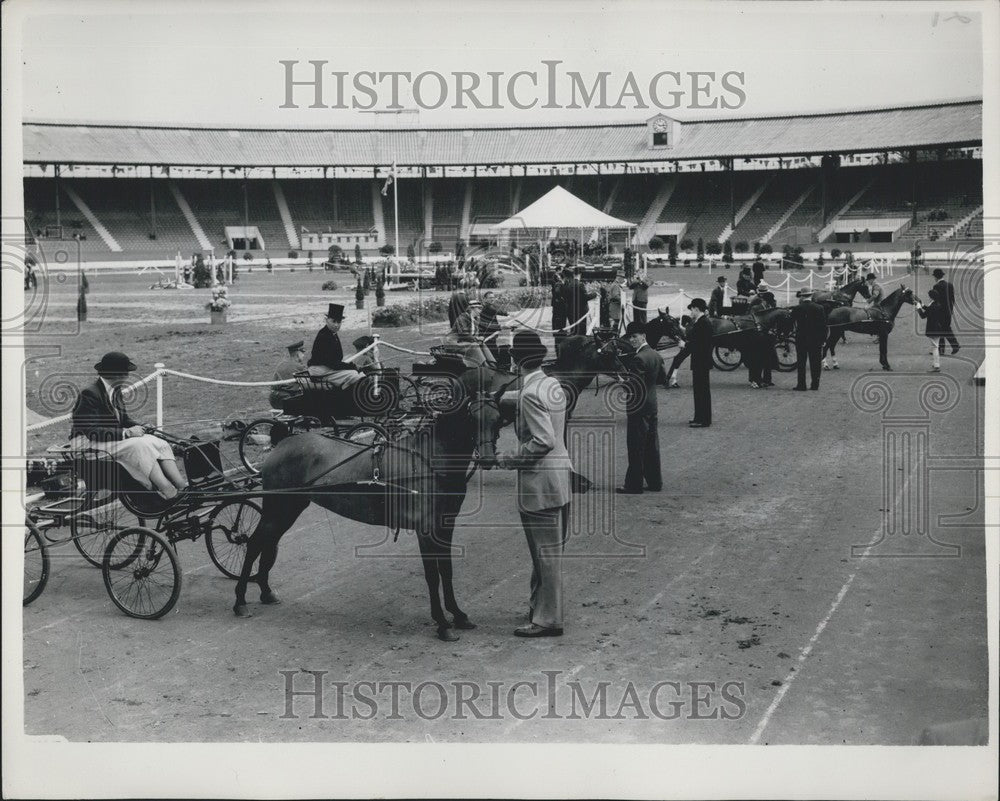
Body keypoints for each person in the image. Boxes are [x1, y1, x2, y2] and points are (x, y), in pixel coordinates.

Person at [494, 331, 572, 638]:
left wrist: (508, 460)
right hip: (560, 477)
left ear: (515, 362)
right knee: (549, 552)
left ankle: (547, 620)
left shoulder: (529, 394)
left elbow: (542, 440)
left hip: (540, 483)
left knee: (544, 554)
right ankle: (541, 609)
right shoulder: (551, 384)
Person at [69, 352, 188, 499]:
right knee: (139, 445)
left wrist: (143, 427)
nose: (127, 377)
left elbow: (124, 420)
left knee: (158, 442)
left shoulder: (115, 389)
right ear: (118, 375)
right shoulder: (89, 394)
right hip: (86, 443)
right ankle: (168, 490)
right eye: (126, 373)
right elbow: (91, 431)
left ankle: (182, 487)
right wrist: (127, 433)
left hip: (106, 438)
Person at [617, 321, 663, 494]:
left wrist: (623, 383)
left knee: (636, 446)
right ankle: (655, 482)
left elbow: (634, 386)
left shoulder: (638, 358)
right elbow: (661, 379)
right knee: (652, 444)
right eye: (630, 337)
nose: (632, 340)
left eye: (635, 336)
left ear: (643, 336)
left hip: (638, 407)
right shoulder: (655, 355)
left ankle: (633, 484)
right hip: (652, 404)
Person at [308, 303, 364, 388]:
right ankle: (346, 394)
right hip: (320, 370)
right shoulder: (324, 336)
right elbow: (331, 363)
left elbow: (335, 359)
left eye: (339, 322)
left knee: (352, 369)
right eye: (333, 321)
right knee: (354, 374)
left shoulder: (331, 333)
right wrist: (352, 366)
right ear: (326, 320)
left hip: (326, 367)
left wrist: (349, 366)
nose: (336, 325)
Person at [790, 289, 828, 391]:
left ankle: (801, 385)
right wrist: (823, 339)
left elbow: (791, 322)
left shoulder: (797, 308)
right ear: (811, 296)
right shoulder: (819, 308)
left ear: (802, 296)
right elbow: (823, 326)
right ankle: (815, 384)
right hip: (815, 339)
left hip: (801, 338)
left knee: (801, 362)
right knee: (815, 362)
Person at [686, 298, 714, 427]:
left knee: (701, 390)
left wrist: (685, 344)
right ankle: (699, 417)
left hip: (700, 362)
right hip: (702, 361)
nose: (691, 312)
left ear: (696, 309)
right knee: (700, 390)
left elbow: (699, 345)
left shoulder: (702, 323)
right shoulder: (703, 322)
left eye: (692, 309)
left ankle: (703, 419)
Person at [269, 340, 308, 410]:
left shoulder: (282, 364)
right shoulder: (299, 367)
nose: (304, 355)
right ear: (297, 353)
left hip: (274, 398)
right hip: (288, 399)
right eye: (302, 352)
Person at [931, 267, 960, 354]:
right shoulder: (950, 285)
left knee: (941, 330)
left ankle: (946, 348)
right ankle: (948, 347)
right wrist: (950, 310)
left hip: (940, 312)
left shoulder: (936, 286)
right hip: (948, 311)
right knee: (946, 329)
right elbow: (953, 300)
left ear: (936, 277)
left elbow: (935, 300)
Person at [563, 267, 595, 336]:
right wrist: (594, 294)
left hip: (571, 311)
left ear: (573, 274)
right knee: (581, 332)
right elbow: (585, 297)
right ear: (580, 274)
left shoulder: (569, 284)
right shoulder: (580, 285)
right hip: (580, 312)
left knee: (574, 331)